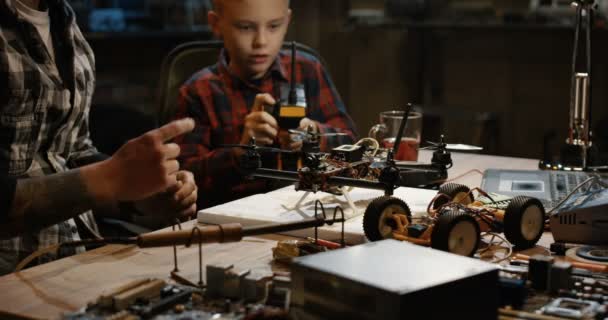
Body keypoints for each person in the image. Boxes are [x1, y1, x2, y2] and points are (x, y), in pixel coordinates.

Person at [0, 0, 198, 275]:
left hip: (70, 262)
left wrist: (139, 193)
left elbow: (71, 153)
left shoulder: (65, 22)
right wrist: (109, 178)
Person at [174, 0, 358, 209]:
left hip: (306, 208)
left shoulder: (308, 70)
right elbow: (184, 180)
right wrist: (240, 153)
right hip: (234, 217)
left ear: (287, 21)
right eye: (245, 27)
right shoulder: (199, 90)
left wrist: (314, 134)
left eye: (273, 26)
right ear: (216, 24)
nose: (260, 41)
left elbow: (352, 143)